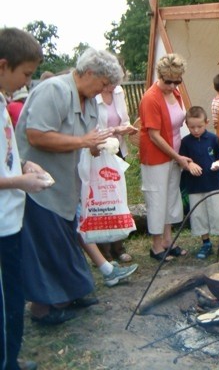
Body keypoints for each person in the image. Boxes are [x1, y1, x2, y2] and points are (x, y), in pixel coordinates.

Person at [15, 47, 123, 327]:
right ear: (89, 73)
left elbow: (85, 139)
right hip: (40, 186)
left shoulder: (87, 100)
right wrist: (83, 143)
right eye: (103, 84)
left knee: (63, 243)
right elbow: (36, 135)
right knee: (45, 247)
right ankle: (43, 309)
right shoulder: (54, 91)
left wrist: (97, 146)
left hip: (65, 186)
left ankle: (71, 293)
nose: (104, 91)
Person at [0, 27, 46, 370]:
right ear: (3, 65)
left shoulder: (3, 101)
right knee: (5, 301)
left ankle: (10, 357)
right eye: (25, 74)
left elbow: (6, 153)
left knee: (13, 296)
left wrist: (24, 163)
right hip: (1, 222)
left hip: (11, 218)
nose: (26, 83)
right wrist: (22, 181)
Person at [139, 53, 191, 262]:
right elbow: (154, 135)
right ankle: (156, 245)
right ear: (159, 76)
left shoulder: (175, 93)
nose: (172, 86)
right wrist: (177, 157)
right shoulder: (150, 98)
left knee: (171, 197)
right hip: (156, 156)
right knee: (157, 198)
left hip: (174, 153)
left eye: (176, 81)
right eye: (168, 81)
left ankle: (168, 240)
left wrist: (179, 156)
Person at [180, 106, 219, 259]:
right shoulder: (185, 142)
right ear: (187, 125)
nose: (196, 130)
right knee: (199, 215)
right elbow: (182, 161)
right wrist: (189, 165)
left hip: (214, 184)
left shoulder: (212, 138)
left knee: (218, 213)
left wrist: (218, 163)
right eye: (192, 127)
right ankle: (205, 243)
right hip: (194, 186)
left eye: (200, 126)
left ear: (207, 122)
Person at [95, 83, 138, 263]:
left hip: (117, 150)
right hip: (98, 152)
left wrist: (125, 128)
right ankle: (104, 252)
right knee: (102, 199)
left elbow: (125, 120)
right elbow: (92, 128)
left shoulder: (118, 91)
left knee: (118, 198)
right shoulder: (93, 94)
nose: (114, 85)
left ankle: (118, 247)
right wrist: (114, 130)